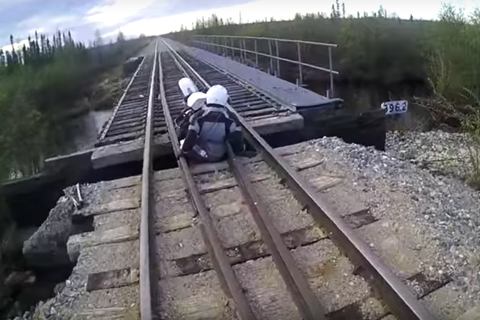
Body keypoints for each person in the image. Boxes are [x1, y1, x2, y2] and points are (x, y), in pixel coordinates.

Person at [179, 85, 247, 163]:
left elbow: (190, 137)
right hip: (220, 153)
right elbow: (237, 140)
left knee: (182, 142)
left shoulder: (198, 116)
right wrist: (241, 151)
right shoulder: (231, 118)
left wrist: (184, 152)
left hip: (201, 153)